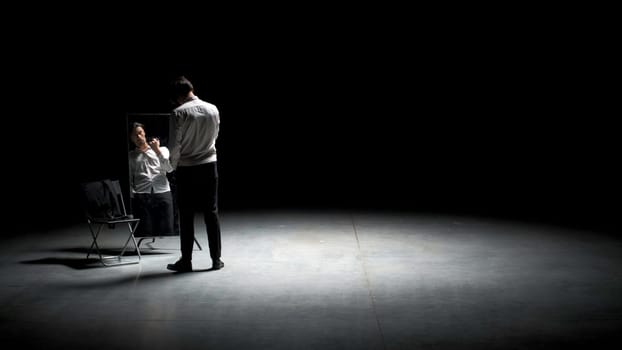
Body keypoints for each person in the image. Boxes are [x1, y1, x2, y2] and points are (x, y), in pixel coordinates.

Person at [166, 76, 224, 272]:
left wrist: (171, 168)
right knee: (211, 212)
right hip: (209, 164)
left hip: (187, 168)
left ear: (178, 96)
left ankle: (186, 261)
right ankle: (216, 259)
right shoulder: (213, 108)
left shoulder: (177, 113)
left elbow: (175, 146)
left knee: (186, 215)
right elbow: (215, 135)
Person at [128, 122, 176, 237]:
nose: (139, 137)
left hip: (162, 190)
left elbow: (169, 169)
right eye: (135, 135)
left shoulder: (162, 150)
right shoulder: (131, 156)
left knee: (167, 228)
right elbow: (129, 177)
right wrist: (133, 194)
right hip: (142, 193)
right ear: (131, 138)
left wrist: (156, 150)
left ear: (144, 133)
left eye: (140, 133)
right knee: (145, 230)